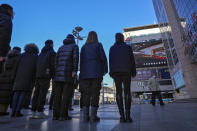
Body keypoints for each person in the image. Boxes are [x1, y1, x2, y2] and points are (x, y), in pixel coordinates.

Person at [80, 31, 108, 122]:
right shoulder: (98, 45)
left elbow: (81, 61)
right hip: (96, 72)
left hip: (85, 74)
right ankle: (93, 116)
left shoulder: (83, 47)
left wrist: (82, 73)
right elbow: (103, 58)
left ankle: (85, 116)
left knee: (86, 95)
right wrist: (105, 70)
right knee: (95, 94)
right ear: (96, 37)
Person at [109, 33, 136, 123]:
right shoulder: (128, 47)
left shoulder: (112, 48)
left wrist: (111, 72)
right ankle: (128, 116)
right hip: (126, 71)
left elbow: (111, 61)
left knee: (118, 92)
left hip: (116, 72)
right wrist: (133, 71)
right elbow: (132, 60)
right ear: (123, 39)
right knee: (127, 91)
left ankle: (122, 116)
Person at [53, 34, 79, 121]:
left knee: (57, 95)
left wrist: (56, 71)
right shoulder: (74, 46)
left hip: (58, 74)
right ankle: (63, 115)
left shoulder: (60, 48)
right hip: (68, 74)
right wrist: (75, 70)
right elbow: (75, 59)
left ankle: (55, 115)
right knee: (66, 95)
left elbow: (56, 61)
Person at [11, 43, 39, 117]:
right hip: (28, 77)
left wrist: (14, 76)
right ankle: (18, 111)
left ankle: (13, 111)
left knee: (16, 93)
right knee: (22, 94)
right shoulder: (35, 57)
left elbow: (16, 66)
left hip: (18, 77)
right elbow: (36, 68)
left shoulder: (21, 55)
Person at [30, 40, 56, 119]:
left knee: (36, 93)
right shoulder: (52, 53)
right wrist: (53, 75)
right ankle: (40, 111)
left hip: (38, 75)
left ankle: (33, 111)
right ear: (51, 44)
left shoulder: (41, 53)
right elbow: (53, 65)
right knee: (42, 93)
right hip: (46, 75)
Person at [0, 47, 21, 116]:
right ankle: (3, 111)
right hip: (10, 78)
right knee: (7, 95)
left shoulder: (7, 58)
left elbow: (4, 68)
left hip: (3, 77)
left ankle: (1, 110)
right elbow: (15, 69)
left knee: (2, 94)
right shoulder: (17, 59)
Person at [0, 4, 14, 73]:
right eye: (13, 12)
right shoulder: (6, 18)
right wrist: (1, 54)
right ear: (9, 11)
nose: (13, 14)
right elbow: (4, 35)